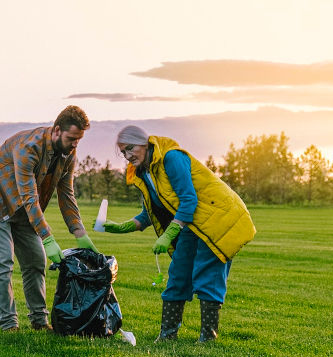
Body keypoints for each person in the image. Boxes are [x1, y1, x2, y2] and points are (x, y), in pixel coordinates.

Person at [103, 125, 255, 342]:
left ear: (144, 143)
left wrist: (169, 234)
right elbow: (151, 213)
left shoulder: (171, 158)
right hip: (192, 222)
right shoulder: (146, 173)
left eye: (130, 148)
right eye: (123, 152)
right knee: (178, 274)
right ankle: (167, 335)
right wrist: (121, 227)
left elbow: (188, 200)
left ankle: (208, 337)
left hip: (217, 218)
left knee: (208, 274)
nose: (127, 156)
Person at [0, 106, 98, 333]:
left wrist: (80, 233)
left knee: (35, 261)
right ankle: (9, 324)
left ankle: (40, 322)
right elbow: (29, 197)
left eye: (79, 140)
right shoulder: (28, 147)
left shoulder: (69, 155)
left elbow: (66, 195)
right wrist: (48, 237)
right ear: (57, 130)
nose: (75, 145)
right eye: (72, 138)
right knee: (2, 262)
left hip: (24, 206)